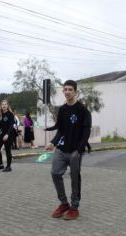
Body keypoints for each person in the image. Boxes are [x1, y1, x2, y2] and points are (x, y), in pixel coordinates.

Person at [45, 80, 91, 220]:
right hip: (62, 149)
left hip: (75, 151)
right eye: (65, 89)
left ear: (75, 91)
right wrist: (53, 143)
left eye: (70, 89)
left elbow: (86, 131)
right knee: (55, 173)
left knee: (74, 178)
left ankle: (74, 207)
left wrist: (79, 150)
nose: (67, 92)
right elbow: (61, 130)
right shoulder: (62, 110)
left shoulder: (83, 110)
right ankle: (64, 203)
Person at [0, 100, 15, 172]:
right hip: (1, 134)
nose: (4, 105)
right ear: (1, 106)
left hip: (9, 134)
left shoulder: (10, 114)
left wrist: (7, 134)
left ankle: (8, 166)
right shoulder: (0, 114)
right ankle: (1, 164)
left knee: (8, 150)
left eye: (5, 104)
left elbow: (11, 125)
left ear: (7, 106)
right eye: (3, 104)